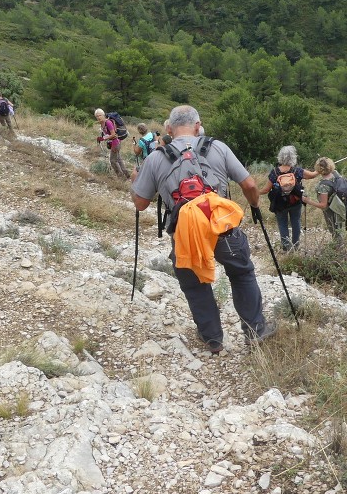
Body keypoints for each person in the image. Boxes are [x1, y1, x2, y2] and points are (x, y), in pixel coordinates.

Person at [132, 105, 276, 354]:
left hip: (185, 231)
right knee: (241, 274)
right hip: (222, 227)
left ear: (168, 129)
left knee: (195, 284)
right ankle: (255, 331)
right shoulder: (218, 147)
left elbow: (140, 203)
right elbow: (250, 184)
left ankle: (212, 339)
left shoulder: (155, 157)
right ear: (198, 125)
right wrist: (254, 205)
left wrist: (135, 181)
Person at [260, 145, 316, 252]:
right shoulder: (297, 171)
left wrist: (254, 192)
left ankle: (286, 247)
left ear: (280, 157)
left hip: (280, 204)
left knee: (282, 224)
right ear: (293, 157)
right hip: (295, 202)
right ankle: (295, 246)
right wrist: (321, 168)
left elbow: (266, 190)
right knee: (296, 222)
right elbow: (313, 175)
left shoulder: (275, 172)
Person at [302, 157, 347, 239]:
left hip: (332, 210)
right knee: (339, 229)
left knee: (334, 231)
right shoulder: (335, 174)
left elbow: (323, 205)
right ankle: (339, 246)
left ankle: (338, 249)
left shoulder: (323, 186)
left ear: (318, 169)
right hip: (341, 205)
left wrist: (307, 200)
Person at [95, 108, 130, 180]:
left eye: (100, 115)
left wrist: (103, 139)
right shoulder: (102, 124)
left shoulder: (108, 122)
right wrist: (102, 137)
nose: (98, 117)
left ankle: (121, 177)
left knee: (113, 161)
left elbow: (113, 134)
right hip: (113, 143)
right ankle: (127, 174)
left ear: (103, 115)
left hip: (115, 143)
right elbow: (108, 134)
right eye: (97, 116)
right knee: (118, 159)